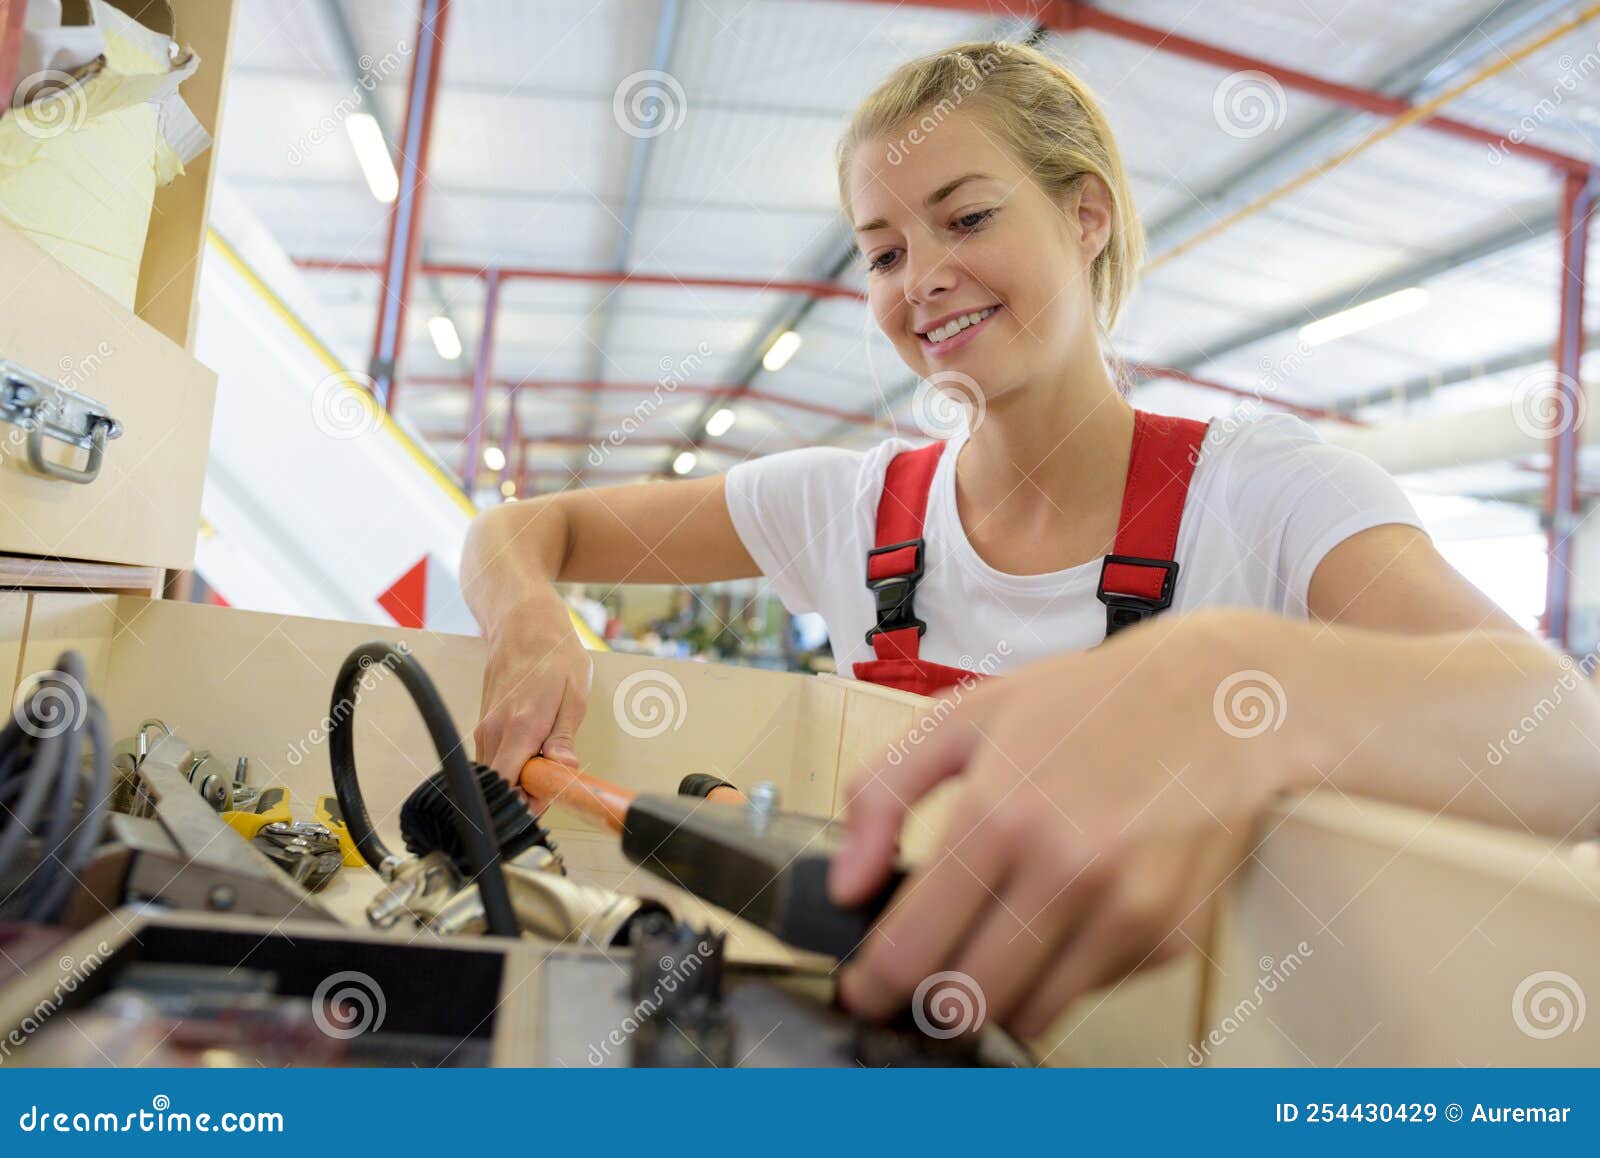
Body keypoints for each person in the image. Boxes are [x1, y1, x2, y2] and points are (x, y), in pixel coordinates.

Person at [463, 42, 1600, 1038]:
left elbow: (1562, 740)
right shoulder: (844, 509)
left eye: (965, 218)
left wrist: (1229, 681)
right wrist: (526, 612)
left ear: (1085, 213)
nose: (924, 279)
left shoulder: (1262, 492)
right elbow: (527, 528)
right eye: (883, 250)